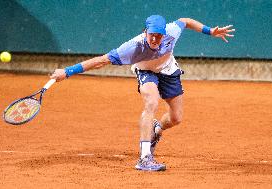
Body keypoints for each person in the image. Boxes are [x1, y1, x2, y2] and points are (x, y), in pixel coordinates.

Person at [50, 15, 235, 171]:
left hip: (168, 70)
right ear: (145, 32)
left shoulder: (171, 31)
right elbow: (100, 61)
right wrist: (67, 72)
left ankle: (156, 129)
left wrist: (210, 31)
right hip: (146, 71)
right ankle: (145, 158)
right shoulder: (132, 48)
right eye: (152, 35)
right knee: (151, 102)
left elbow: (185, 21)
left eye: (159, 36)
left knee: (176, 118)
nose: (155, 40)